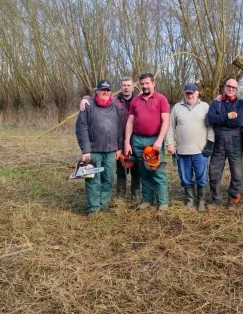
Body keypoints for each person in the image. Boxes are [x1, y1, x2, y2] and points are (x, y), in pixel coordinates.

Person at [80, 77, 141, 202]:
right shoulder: (114, 100)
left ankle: (136, 194)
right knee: (120, 168)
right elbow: (96, 99)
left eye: (129, 85)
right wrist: (84, 99)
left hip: (135, 138)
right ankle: (120, 195)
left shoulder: (138, 100)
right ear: (120, 87)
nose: (126, 87)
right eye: (124, 85)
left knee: (135, 166)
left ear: (133, 87)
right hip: (115, 141)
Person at [75, 80, 124, 216]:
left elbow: (120, 129)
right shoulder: (88, 106)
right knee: (93, 179)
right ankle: (94, 208)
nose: (105, 92)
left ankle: (104, 204)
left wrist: (119, 148)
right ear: (97, 91)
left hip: (111, 151)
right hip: (93, 150)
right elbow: (81, 128)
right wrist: (86, 150)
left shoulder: (115, 108)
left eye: (108, 90)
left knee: (108, 178)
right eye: (103, 90)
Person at [124, 73, 170, 211]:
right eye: (142, 84)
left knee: (156, 171)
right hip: (137, 140)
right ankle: (148, 199)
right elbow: (130, 122)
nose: (144, 86)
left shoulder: (161, 99)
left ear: (153, 83)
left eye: (147, 83)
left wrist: (159, 141)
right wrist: (127, 142)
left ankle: (163, 202)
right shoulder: (135, 101)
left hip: (153, 140)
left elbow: (166, 121)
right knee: (143, 171)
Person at [166, 83, 215, 212]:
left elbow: (211, 127)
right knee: (185, 177)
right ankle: (190, 200)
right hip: (182, 151)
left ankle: (201, 201)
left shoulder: (205, 107)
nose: (190, 95)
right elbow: (170, 127)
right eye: (187, 93)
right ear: (184, 94)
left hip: (200, 150)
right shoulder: (177, 107)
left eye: (192, 93)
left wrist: (210, 142)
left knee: (202, 176)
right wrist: (170, 144)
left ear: (197, 93)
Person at [207, 79, 243, 208]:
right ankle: (216, 199)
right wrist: (227, 116)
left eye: (234, 87)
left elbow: (240, 122)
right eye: (229, 86)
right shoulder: (216, 102)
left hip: (235, 141)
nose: (231, 89)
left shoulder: (241, 104)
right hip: (218, 141)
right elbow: (210, 119)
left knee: (237, 173)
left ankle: (233, 199)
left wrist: (220, 120)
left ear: (237, 89)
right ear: (224, 87)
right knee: (214, 171)